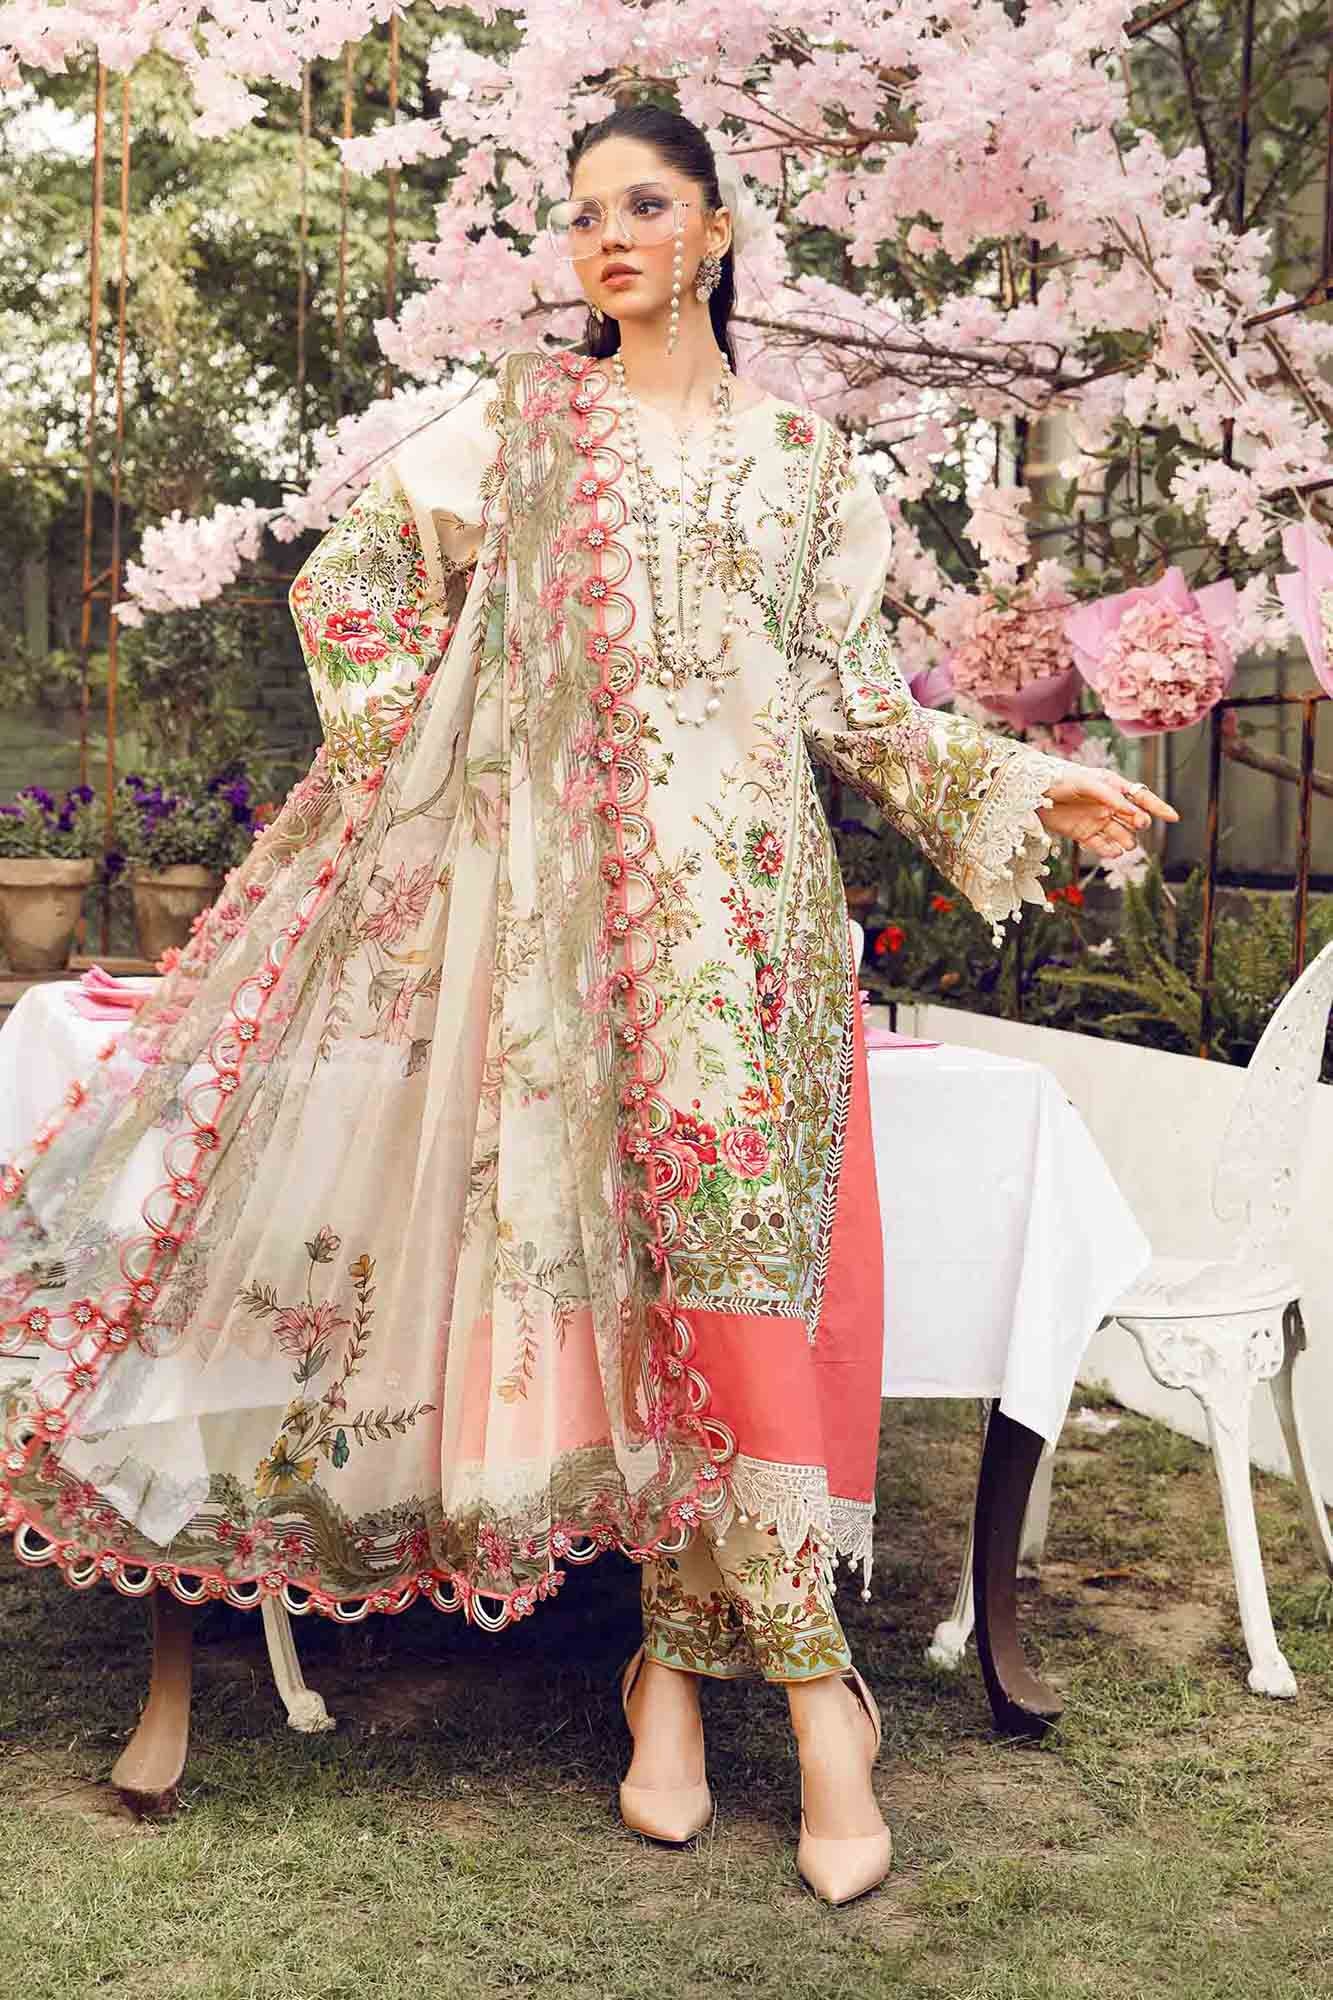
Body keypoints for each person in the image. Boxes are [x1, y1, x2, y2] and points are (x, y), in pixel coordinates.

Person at [0, 103, 1176, 1904]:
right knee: (646, 1315)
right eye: (579, 216)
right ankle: (736, 1691)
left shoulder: (809, 465)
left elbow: (855, 708)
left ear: (714, 230)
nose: (606, 237)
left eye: (643, 205)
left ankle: (753, 1693)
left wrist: (1027, 786)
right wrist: (456, 786)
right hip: (566, 950)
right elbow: (354, 591)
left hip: (756, 937)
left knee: (733, 1299)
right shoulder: (523, 427)